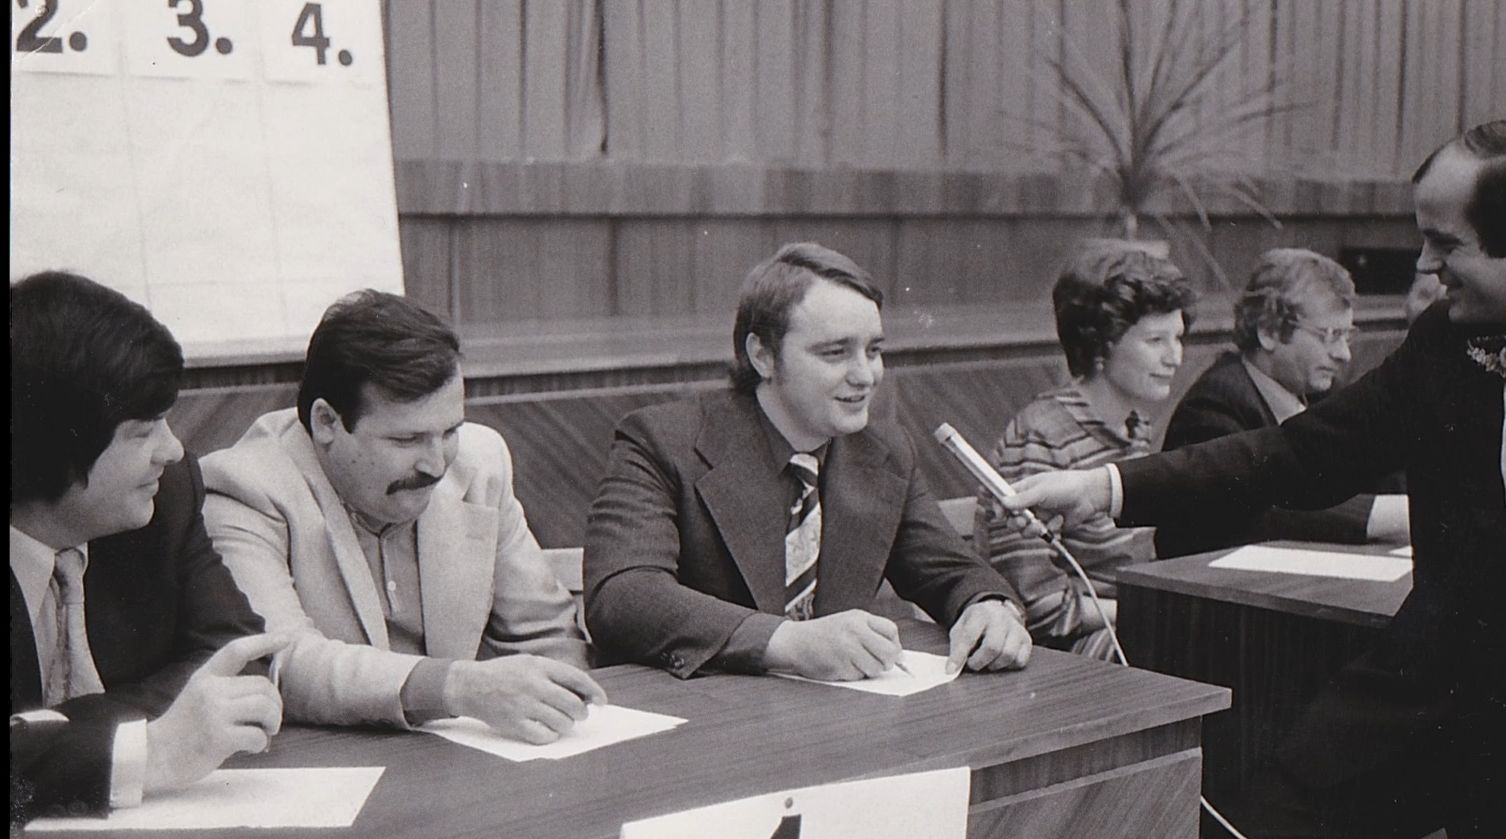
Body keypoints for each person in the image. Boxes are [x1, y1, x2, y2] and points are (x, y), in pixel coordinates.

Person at [1003, 120, 1506, 839]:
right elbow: (1296, 455)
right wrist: (1108, 485)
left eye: (1442, 245)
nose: (1425, 271)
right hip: (1425, 694)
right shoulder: (1445, 340)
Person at [583, 242, 1031, 680]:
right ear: (763, 355)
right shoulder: (662, 441)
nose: (865, 375)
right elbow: (622, 595)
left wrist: (987, 606)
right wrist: (786, 642)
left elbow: (952, 571)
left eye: (874, 351)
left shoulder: (885, 451)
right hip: (705, 712)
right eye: (835, 353)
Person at [201, 290, 603, 743]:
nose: (436, 464)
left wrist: (570, 719)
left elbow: (547, 636)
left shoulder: (479, 462)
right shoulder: (246, 486)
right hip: (328, 759)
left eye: (449, 431)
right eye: (407, 440)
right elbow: (280, 662)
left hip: (465, 760)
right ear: (327, 422)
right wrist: (457, 687)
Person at [9, 270, 285, 831]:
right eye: (143, 431)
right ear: (54, 445)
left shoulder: (164, 496)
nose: (174, 449)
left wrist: (54, 740)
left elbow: (238, 656)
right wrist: (148, 751)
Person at [979, 242, 1195, 660]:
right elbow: (1039, 607)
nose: (1175, 357)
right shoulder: (1040, 436)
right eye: (1156, 340)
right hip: (1062, 654)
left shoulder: (1134, 427)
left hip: (1125, 631)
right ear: (1101, 343)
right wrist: (1156, 611)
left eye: (1178, 337)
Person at [1154, 248, 1410, 558]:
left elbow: (1383, 465)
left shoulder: (1321, 393)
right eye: (1329, 335)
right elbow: (1258, 514)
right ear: (1269, 331)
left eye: (1347, 336)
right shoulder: (1213, 406)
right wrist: (1389, 514)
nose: (1344, 354)